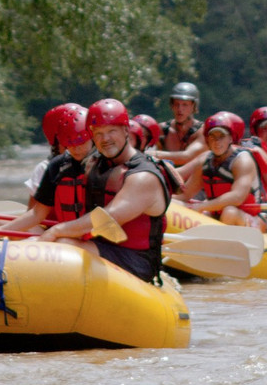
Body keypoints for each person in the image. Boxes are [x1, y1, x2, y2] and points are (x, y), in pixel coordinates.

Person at [37, 98, 176, 282]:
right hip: (101, 247)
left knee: (62, 243)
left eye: (111, 131)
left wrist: (56, 230)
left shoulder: (143, 176)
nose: (105, 139)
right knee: (49, 241)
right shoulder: (96, 163)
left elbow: (107, 218)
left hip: (135, 262)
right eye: (98, 133)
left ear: (126, 130)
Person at [0, 103, 93, 233]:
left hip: (76, 234)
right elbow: (34, 215)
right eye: (69, 140)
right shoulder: (53, 167)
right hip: (54, 232)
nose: (76, 147)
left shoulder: (101, 164)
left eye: (80, 139)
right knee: (34, 230)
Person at [175, 111, 267, 230]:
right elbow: (185, 194)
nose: (217, 142)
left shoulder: (242, 160)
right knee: (176, 204)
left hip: (248, 217)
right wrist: (166, 200)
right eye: (212, 137)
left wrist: (202, 206)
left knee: (229, 212)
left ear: (230, 138)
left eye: (221, 137)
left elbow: (237, 197)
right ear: (207, 140)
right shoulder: (204, 161)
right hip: (216, 214)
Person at [24, 103, 81, 207]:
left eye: (79, 137)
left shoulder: (95, 165)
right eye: (66, 138)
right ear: (55, 142)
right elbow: (33, 212)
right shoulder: (45, 168)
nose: (73, 144)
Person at [150, 81, 207, 166]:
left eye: (185, 105)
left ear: (193, 106)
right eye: (176, 104)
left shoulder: (202, 132)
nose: (180, 109)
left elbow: (186, 157)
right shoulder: (163, 129)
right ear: (172, 105)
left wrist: (153, 154)